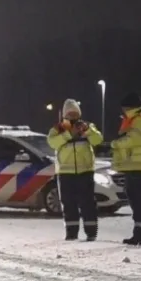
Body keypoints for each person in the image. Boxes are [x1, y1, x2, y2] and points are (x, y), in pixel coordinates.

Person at [46, 99, 103, 241]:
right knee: (68, 204)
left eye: (75, 113)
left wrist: (87, 131)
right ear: (65, 114)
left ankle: (91, 233)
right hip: (65, 172)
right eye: (69, 113)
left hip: (85, 171)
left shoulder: (87, 126)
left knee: (88, 203)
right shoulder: (58, 129)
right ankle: (71, 233)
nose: (72, 116)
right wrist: (68, 134)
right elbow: (52, 142)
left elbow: (98, 139)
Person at [110, 93, 141, 246]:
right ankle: (140, 233)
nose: (123, 111)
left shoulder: (139, 120)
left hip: (139, 164)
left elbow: (134, 139)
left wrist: (115, 144)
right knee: (136, 199)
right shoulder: (138, 119)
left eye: (124, 108)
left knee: (137, 200)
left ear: (129, 107)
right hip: (137, 164)